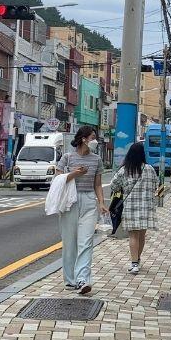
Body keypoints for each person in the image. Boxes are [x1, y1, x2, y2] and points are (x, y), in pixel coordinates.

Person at [56, 126, 107, 295]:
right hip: (70, 201)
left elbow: (98, 184)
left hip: (89, 201)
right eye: (92, 137)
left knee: (86, 242)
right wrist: (75, 174)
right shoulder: (67, 158)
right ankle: (70, 280)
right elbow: (57, 180)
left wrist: (101, 202)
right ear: (84, 139)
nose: (95, 141)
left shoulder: (96, 159)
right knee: (69, 242)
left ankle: (82, 279)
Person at [109, 141, 159, 275]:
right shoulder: (150, 169)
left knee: (133, 236)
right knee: (142, 235)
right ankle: (137, 260)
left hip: (130, 207)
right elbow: (156, 185)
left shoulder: (125, 170)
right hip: (146, 207)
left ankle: (134, 263)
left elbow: (113, 186)